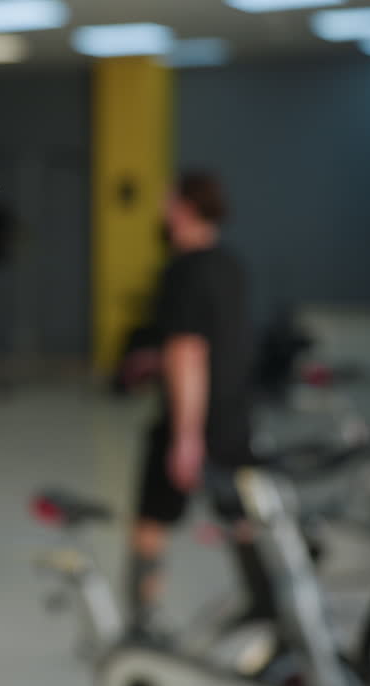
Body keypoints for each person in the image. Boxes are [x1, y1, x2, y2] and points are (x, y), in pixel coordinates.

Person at [128, 171, 262, 633]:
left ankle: (143, 621)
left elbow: (188, 350)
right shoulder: (232, 265)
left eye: (168, 200)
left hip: (190, 418)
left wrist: (186, 436)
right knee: (240, 514)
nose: (163, 209)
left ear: (183, 208)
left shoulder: (182, 269)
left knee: (151, 518)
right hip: (234, 415)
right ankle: (266, 603)